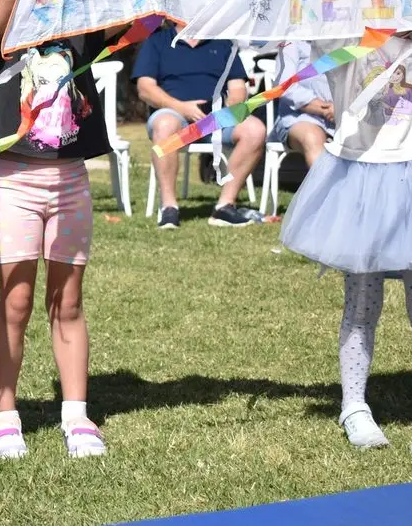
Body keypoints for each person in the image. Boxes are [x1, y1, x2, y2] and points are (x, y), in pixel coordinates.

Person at [0, 0, 169, 462]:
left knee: (68, 302)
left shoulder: (81, 31)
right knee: (15, 301)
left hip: (69, 185)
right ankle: (5, 415)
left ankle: (76, 414)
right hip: (16, 182)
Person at [278, 32, 412, 450]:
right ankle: (354, 404)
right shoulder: (346, 38)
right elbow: (312, 26)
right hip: (362, 178)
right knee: (362, 303)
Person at [133, 23, 267, 229]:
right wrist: (182, 108)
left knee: (255, 130)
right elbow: (145, 88)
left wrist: (227, 108)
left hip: (216, 118)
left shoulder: (222, 43)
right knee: (165, 124)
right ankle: (169, 208)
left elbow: (238, 88)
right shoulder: (157, 41)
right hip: (174, 114)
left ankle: (225, 207)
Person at [272, 40, 335, 168]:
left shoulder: (351, 40)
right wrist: (325, 109)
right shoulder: (292, 42)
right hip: (299, 117)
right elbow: (285, 87)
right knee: (312, 137)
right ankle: (324, 181)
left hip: (346, 115)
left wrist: (343, 108)